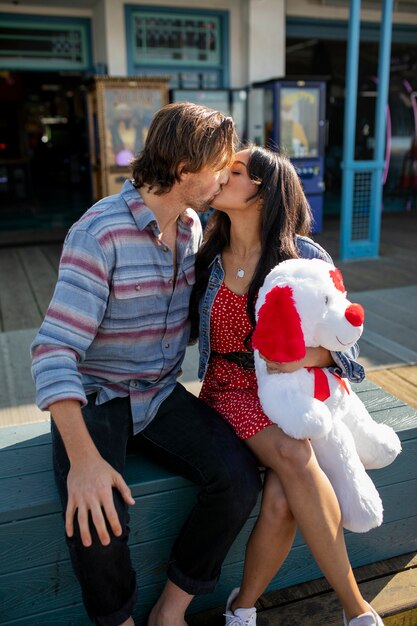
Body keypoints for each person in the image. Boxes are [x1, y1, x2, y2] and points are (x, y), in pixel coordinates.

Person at [30, 103, 263, 626]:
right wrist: (85, 463)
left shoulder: (192, 226)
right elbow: (52, 350)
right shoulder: (99, 234)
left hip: (158, 392)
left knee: (240, 478)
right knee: (97, 516)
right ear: (183, 171)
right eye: (220, 165)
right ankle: (121, 621)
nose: (227, 175)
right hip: (98, 395)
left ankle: (170, 612)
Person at [190, 145, 385, 626]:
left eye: (234, 171)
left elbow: (348, 344)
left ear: (262, 191)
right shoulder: (206, 255)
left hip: (292, 391)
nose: (221, 176)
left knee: (281, 498)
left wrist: (310, 355)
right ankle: (357, 609)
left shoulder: (305, 257)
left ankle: (241, 607)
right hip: (229, 388)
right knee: (296, 458)